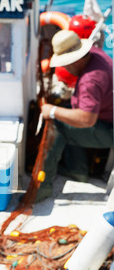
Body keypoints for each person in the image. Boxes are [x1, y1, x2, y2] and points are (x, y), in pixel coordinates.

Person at [37, 29, 113, 202]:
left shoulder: (89, 82)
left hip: (109, 129)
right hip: (107, 115)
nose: (65, 67)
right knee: (67, 112)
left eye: (66, 63)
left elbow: (87, 119)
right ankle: (77, 170)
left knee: (57, 124)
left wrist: (52, 111)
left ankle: (44, 187)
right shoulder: (95, 53)